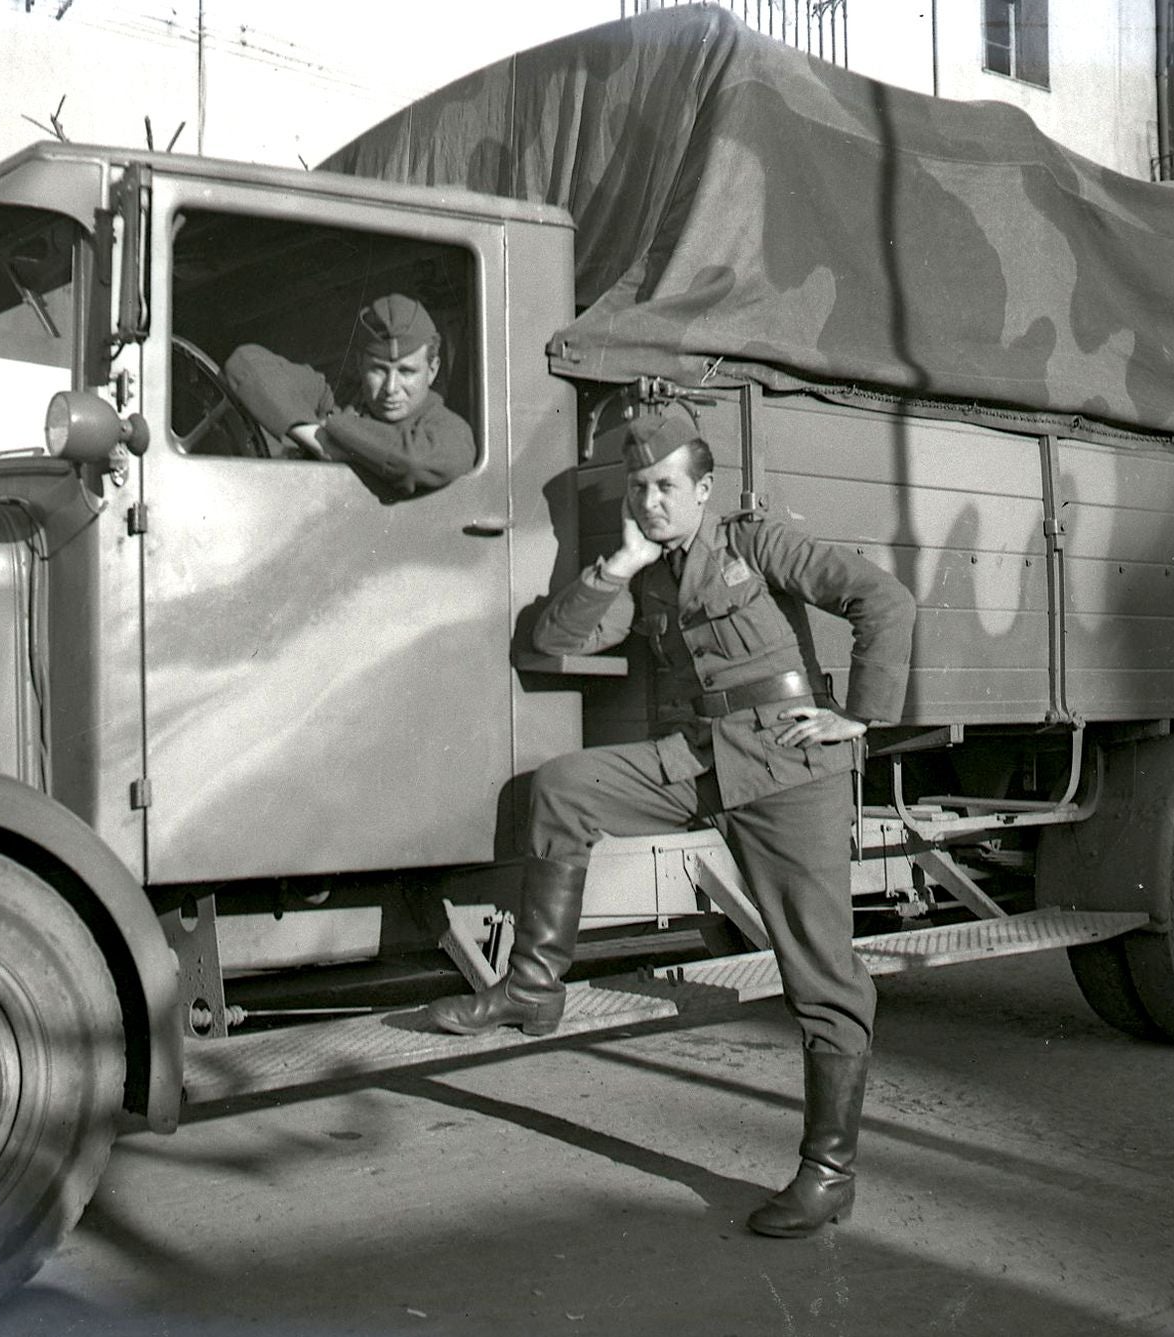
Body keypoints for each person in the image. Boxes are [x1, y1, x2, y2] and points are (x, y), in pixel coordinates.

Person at [428, 404, 916, 1240]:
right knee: (560, 789)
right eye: (639, 489)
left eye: (665, 487)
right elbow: (558, 637)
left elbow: (883, 599)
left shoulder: (756, 544)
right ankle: (535, 987)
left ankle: (829, 1173)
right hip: (699, 759)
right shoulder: (648, 571)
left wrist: (862, 717)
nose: (651, 501)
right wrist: (618, 560)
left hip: (790, 769)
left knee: (821, 975)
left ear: (703, 489)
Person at [225, 293, 475, 496]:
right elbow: (246, 363)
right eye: (378, 370)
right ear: (359, 364)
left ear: (432, 370)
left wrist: (338, 433)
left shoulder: (450, 430)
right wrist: (319, 438)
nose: (390, 388)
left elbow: (413, 463)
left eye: (407, 372)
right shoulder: (338, 399)